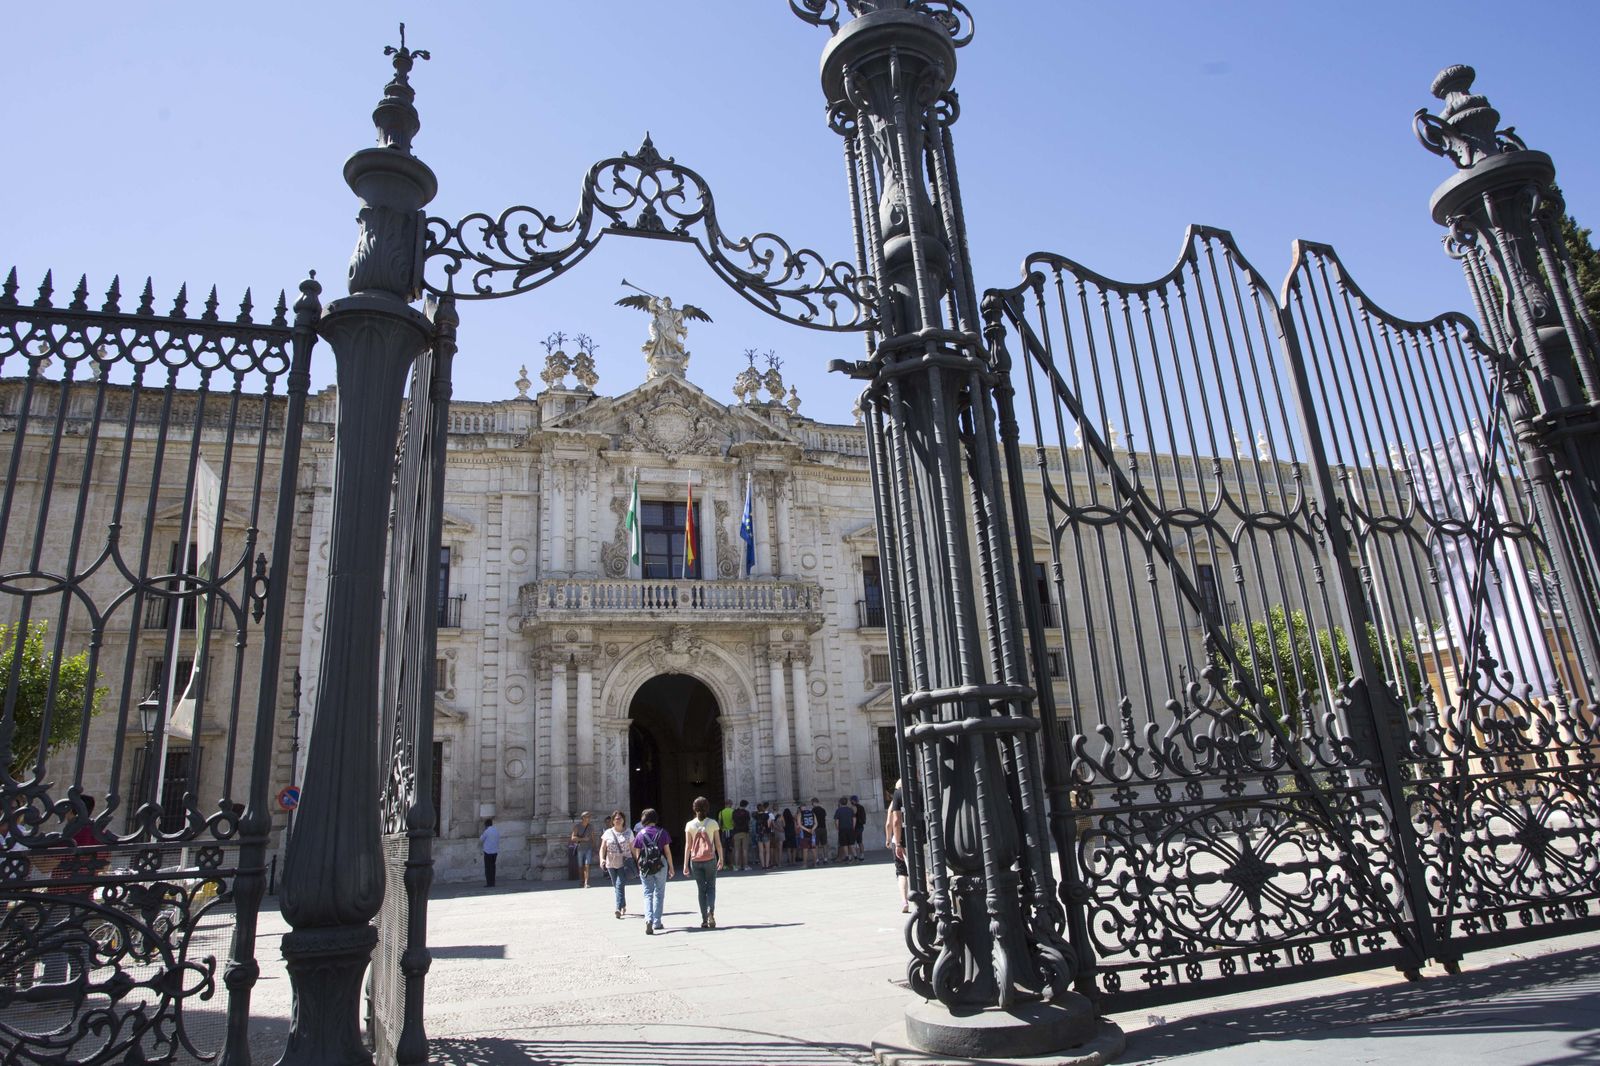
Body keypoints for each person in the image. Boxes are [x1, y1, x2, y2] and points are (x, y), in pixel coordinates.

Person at [631, 808, 674, 935]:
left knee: (647, 893)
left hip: (645, 865)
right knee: (659, 893)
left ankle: (648, 919)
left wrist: (639, 865)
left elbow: (637, 852)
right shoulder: (662, 832)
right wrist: (671, 867)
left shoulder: (640, 833)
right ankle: (657, 922)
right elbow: (667, 851)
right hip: (660, 863)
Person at [683, 796, 724, 929]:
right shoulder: (713, 823)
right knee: (711, 887)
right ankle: (711, 911)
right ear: (707, 808)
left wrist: (685, 864)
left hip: (695, 860)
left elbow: (688, 846)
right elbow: (718, 844)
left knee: (701, 890)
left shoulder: (689, 825)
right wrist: (721, 858)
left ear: (694, 809)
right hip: (710, 859)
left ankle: (704, 920)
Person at [599, 810, 632, 918]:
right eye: (616, 819)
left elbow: (633, 847)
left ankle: (618, 908)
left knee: (619, 884)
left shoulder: (629, 832)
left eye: (620, 818)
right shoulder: (608, 832)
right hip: (611, 863)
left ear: (623, 820)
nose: (618, 820)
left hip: (624, 863)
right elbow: (603, 848)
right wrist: (601, 859)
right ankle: (623, 904)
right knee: (616, 886)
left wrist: (638, 860)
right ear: (612, 821)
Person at [886, 779, 909, 913]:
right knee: (923, 870)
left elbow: (891, 823)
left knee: (902, 872)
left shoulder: (894, 802)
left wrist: (889, 839)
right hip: (918, 837)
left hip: (900, 840)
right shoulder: (917, 795)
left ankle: (904, 901)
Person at [570, 811, 595, 888]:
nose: (589, 818)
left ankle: (586, 882)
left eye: (589, 816)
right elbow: (573, 838)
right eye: (587, 816)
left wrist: (594, 847)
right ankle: (582, 881)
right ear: (583, 818)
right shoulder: (577, 827)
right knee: (580, 866)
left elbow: (593, 837)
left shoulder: (591, 826)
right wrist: (583, 839)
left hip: (589, 848)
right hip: (580, 848)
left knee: (587, 865)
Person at [833, 796, 855, 864]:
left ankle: (847, 857)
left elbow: (837, 821)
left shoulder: (838, 810)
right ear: (847, 802)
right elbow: (854, 819)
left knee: (844, 844)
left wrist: (837, 828)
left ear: (840, 803)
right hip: (850, 828)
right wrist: (853, 826)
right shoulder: (850, 810)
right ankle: (855, 857)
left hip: (842, 829)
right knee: (851, 843)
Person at [731, 800, 752, 871]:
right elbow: (748, 822)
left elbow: (733, 822)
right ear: (745, 805)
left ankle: (737, 866)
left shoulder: (734, 812)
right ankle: (745, 866)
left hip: (736, 832)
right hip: (745, 832)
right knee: (745, 850)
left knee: (737, 850)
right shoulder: (747, 812)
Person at [796, 800, 818, 868]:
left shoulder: (800, 814)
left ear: (800, 807)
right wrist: (812, 829)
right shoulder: (812, 813)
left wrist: (807, 830)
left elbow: (799, 824)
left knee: (805, 849)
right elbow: (816, 823)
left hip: (804, 833)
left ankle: (805, 864)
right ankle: (815, 864)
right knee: (813, 849)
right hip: (812, 832)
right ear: (805, 807)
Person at [480, 817, 499, 888]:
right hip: (495, 852)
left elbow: (481, 839)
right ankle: (493, 882)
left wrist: (483, 832)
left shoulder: (487, 831)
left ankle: (489, 883)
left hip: (488, 852)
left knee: (488, 868)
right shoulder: (496, 831)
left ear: (486, 825)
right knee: (493, 868)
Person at [809, 798, 829, 865]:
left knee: (816, 845)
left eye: (812, 803)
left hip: (816, 829)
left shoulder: (813, 810)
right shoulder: (823, 810)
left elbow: (812, 820)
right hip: (823, 828)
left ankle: (817, 860)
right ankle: (825, 859)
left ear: (814, 802)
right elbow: (825, 818)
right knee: (824, 844)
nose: (812, 804)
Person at [850, 795, 868, 861]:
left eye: (851, 800)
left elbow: (853, 816)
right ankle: (862, 855)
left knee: (852, 843)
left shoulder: (854, 807)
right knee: (860, 841)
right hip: (861, 826)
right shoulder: (861, 807)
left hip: (855, 827)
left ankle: (854, 856)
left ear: (853, 801)